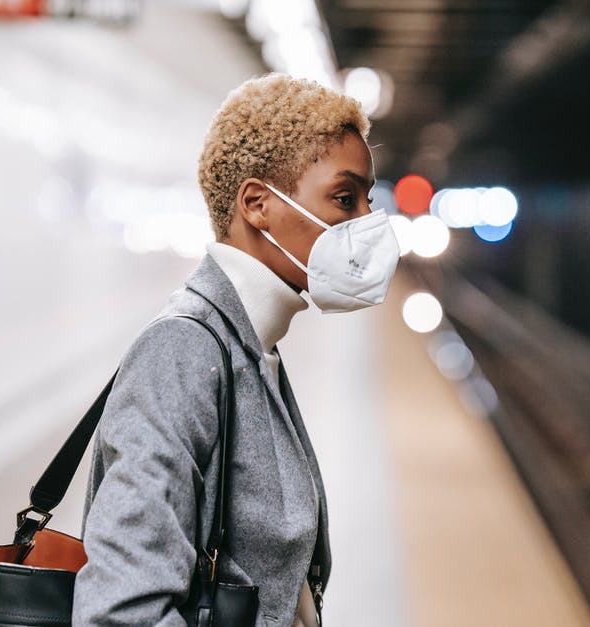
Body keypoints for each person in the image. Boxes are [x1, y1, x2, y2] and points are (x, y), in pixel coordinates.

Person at [72, 72, 400, 627]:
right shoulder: (182, 353)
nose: (367, 223)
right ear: (256, 204)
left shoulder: (251, 347)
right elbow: (121, 612)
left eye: (368, 199)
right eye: (345, 198)